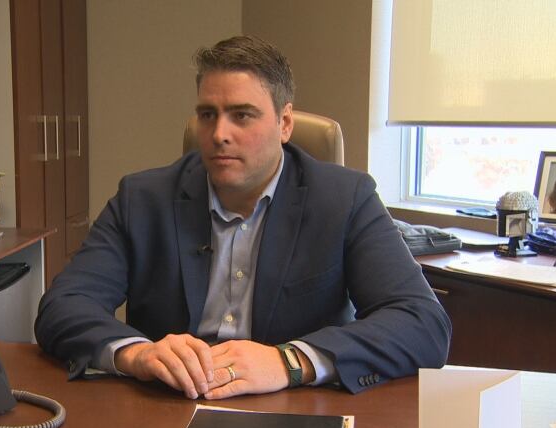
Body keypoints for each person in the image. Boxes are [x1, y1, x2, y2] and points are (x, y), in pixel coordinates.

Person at [35, 35, 451, 399]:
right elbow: (63, 307)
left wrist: (290, 362)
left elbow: (423, 323)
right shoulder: (142, 199)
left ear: (285, 123)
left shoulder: (344, 200)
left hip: (293, 407)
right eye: (207, 115)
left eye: (242, 115)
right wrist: (136, 353)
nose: (219, 134)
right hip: (167, 406)